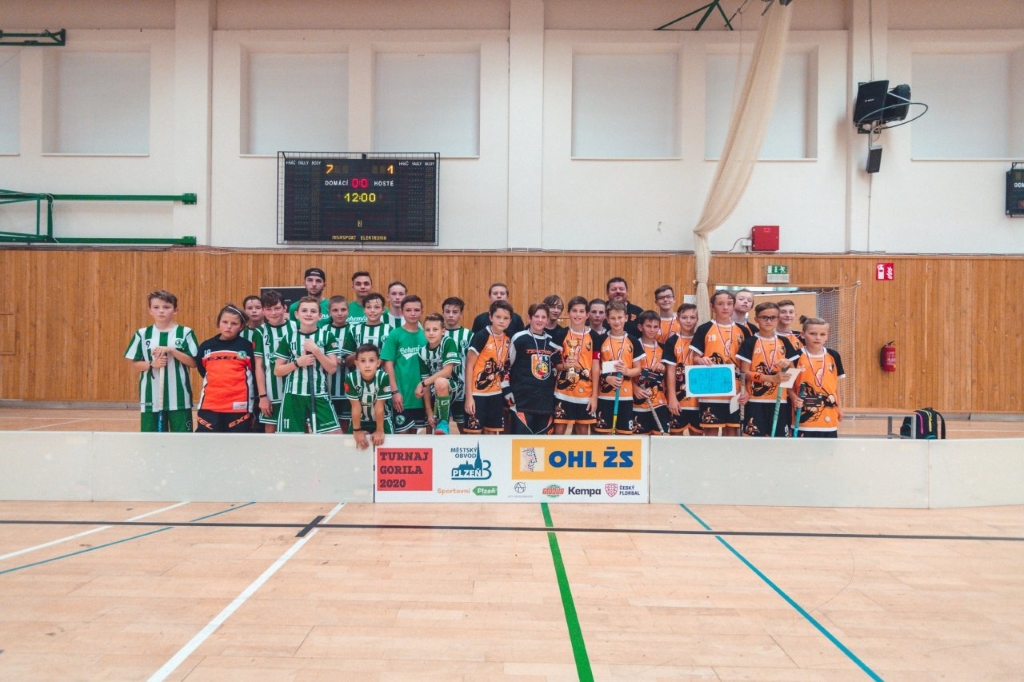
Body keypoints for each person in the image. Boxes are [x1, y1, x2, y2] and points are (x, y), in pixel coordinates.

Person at [124, 289, 198, 432]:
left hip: (179, 398)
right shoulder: (142, 334)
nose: (161, 311)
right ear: (150, 311)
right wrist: (152, 364)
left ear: (175, 310)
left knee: (182, 440)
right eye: (156, 307)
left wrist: (172, 350)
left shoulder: (185, 333)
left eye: (166, 307)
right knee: (152, 441)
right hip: (151, 398)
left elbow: (194, 363)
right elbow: (134, 364)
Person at [273, 296, 341, 434]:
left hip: (319, 394)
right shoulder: (289, 338)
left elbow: (332, 368)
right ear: (296, 314)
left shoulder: (327, 336)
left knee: (334, 435)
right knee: (290, 440)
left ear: (320, 316)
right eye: (304, 310)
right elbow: (277, 371)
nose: (308, 314)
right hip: (293, 395)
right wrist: (298, 363)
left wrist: (316, 351)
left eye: (313, 311)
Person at [690, 290, 748, 436]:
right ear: (712, 306)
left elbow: (747, 364)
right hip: (711, 388)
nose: (725, 307)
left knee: (732, 430)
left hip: (735, 390)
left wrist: (746, 389)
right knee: (711, 430)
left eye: (729, 304)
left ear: (733, 306)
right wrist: (701, 360)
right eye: (720, 304)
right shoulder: (704, 329)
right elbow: (695, 358)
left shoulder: (743, 331)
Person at [737, 302, 800, 437]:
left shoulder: (784, 342)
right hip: (755, 401)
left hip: (779, 401)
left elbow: (793, 373)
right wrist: (771, 378)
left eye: (772, 318)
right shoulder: (750, 342)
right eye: (764, 317)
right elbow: (745, 372)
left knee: (777, 441)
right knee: (754, 441)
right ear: (756, 319)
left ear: (778, 319)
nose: (768, 321)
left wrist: (789, 363)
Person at [195, 304, 256, 433]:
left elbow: (255, 373)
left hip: (239, 407)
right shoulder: (206, 346)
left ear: (241, 327)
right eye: (225, 322)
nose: (228, 326)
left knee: (237, 443)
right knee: (205, 442)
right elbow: (202, 370)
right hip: (209, 405)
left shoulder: (247, 347)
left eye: (234, 323)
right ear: (218, 323)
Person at [506, 303, 562, 435]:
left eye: (543, 317)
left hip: (545, 404)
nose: (540, 320)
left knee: (543, 445)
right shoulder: (519, 338)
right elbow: (506, 367)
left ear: (547, 320)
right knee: (523, 445)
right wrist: (507, 392)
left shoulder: (552, 342)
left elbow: (556, 370)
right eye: (536, 316)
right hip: (522, 402)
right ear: (529, 318)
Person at [790, 317, 845, 438]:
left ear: (827, 336)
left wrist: (840, 407)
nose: (818, 337)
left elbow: (835, 385)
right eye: (813, 334)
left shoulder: (834, 355)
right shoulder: (795, 356)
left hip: (829, 416)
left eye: (822, 334)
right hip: (803, 416)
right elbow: (788, 386)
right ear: (803, 334)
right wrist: (794, 398)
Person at [593, 301, 644, 434]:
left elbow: (638, 369)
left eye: (620, 317)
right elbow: (595, 366)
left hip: (625, 396)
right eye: (613, 318)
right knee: (603, 433)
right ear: (607, 319)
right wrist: (606, 377)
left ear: (626, 318)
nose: (617, 321)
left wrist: (626, 371)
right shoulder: (600, 339)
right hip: (604, 396)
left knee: (625, 434)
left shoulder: (633, 341)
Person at [463, 300, 513, 434]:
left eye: (506, 318)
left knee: (491, 433)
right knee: (474, 434)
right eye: (498, 317)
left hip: (496, 394)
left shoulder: (508, 338)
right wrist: (469, 397)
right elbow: (469, 366)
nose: (501, 321)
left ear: (510, 321)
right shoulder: (481, 336)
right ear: (490, 317)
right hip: (476, 394)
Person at [553, 296, 601, 435]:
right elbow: (555, 365)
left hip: (585, 393)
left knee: (582, 430)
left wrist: (594, 396)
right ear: (568, 313)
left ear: (587, 314)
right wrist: (565, 366)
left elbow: (596, 367)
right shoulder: (560, 334)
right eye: (574, 311)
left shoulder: (594, 337)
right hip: (563, 393)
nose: (577, 314)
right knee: (559, 430)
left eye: (581, 311)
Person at [381, 294, 427, 434]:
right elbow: (388, 364)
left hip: (421, 397)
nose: (412, 313)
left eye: (416, 310)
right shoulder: (395, 334)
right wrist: (394, 392)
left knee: (414, 435)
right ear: (402, 312)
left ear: (422, 311)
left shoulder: (426, 335)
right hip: (402, 396)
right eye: (408, 310)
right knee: (402, 436)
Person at [258, 290, 297, 434]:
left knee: (299, 427)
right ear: (263, 311)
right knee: (270, 428)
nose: (273, 313)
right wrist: (263, 396)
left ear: (285, 308)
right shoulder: (259, 332)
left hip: (296, 390)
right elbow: (259, 366)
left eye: (277, 308)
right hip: (271, 391)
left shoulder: (296, 327)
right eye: (268, 309)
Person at [416, 312, 461, 435]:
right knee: (429, 423)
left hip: (454, 385)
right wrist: (429, 411)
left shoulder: (448, 342)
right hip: (432, 388)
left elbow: (447, 371)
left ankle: (444, 422)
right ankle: (435, 424)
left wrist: (423, 383)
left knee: (440, 382)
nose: (431, 333)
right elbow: (425, 385)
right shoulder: (422, 352)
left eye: (435, 329)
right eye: (428, 330)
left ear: (443, 331)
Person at [345, 343, 393, 449]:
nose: (367, 365)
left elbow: (379, 406)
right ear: (356, 363)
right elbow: (356, 406)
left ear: (378, 363)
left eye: (371, 360)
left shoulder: (383, 377)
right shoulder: (351, 378)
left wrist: (379, 430)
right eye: (363, 361)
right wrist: (357, 430)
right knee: (353, 449)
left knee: (386, 448)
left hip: (382, 419)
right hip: (360, 420)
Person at [632, 310, 671, 435]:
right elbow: (625, 371)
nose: (652, 330)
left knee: (662, 438)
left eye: (655, 327)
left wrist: (664, 368)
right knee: (640, 440)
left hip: (659, 401)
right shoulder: (632, 345)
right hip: (638, 401)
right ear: (640, 327)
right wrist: (634, 388)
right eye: (648, 326)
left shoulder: (664, 348)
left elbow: (670, 374)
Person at [665, 302, 701, 436]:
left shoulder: (702, 339)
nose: (688, 321)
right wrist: (672, 398)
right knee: (676, 437)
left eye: (692, 317)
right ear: (677, 319)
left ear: (697, 319)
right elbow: (670, 371)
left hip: (699, 399)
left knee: (698, 438)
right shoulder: (671, 341)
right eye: (684, 317)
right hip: (678, 399)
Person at [323, 295, 353, 433]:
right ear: (329, 312)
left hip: (348, 388)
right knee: (328, 428)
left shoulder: (354, 329)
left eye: (343, 310)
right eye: (335, 310)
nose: (340, 313)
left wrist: (343, 360)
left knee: (345, 426)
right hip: (326, 388)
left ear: (348, 310)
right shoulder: (323, 330)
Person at [240, 295, 271, 430]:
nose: (254, 311)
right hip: (247, 381)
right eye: (250, 308)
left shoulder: (272, 330)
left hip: (268, 380)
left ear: (264, 309)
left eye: (258, 307)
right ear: (244, 311)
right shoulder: (240, 334)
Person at [442, 296, 472, 428]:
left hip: (463, 389)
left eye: (455, 312)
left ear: (461, 314)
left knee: (464, 428)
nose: (450, 315)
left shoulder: (469, 335)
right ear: (443, 313)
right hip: (441, 389)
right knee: (440, 426)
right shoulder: (437, 334)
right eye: (447, 311)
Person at [342, 292, 395, 366]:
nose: (372, 310)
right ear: (364, 309)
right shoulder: (355, 330)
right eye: (368, 307)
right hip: (359, 372)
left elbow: (393, 359)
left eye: (377, 307)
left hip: (382, 373)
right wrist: (362, 353)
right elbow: (346, 361)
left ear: (383, 309)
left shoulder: (390, 331)